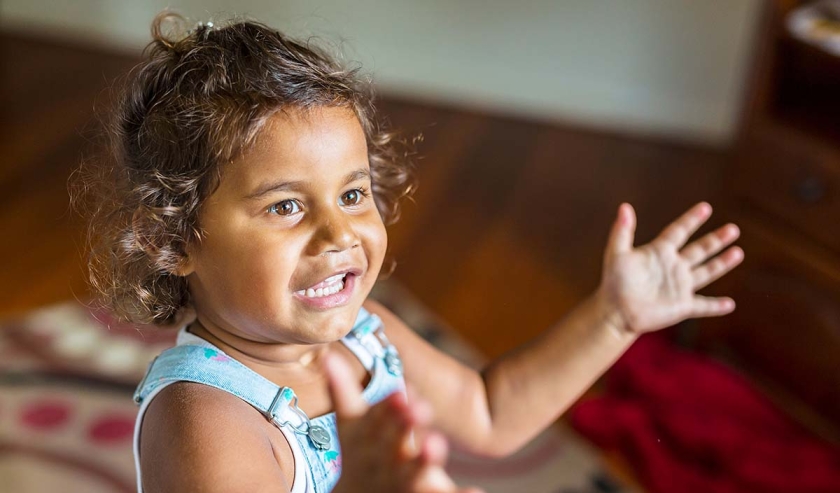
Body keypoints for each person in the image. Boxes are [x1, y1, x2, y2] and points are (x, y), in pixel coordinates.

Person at [82, 12, 744, 493]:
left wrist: (616, 318)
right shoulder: (203, 417)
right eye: (286, 206)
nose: (339, 235)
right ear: (171, 239)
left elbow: (489, 412)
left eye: (352, 193)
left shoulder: (366, 337)